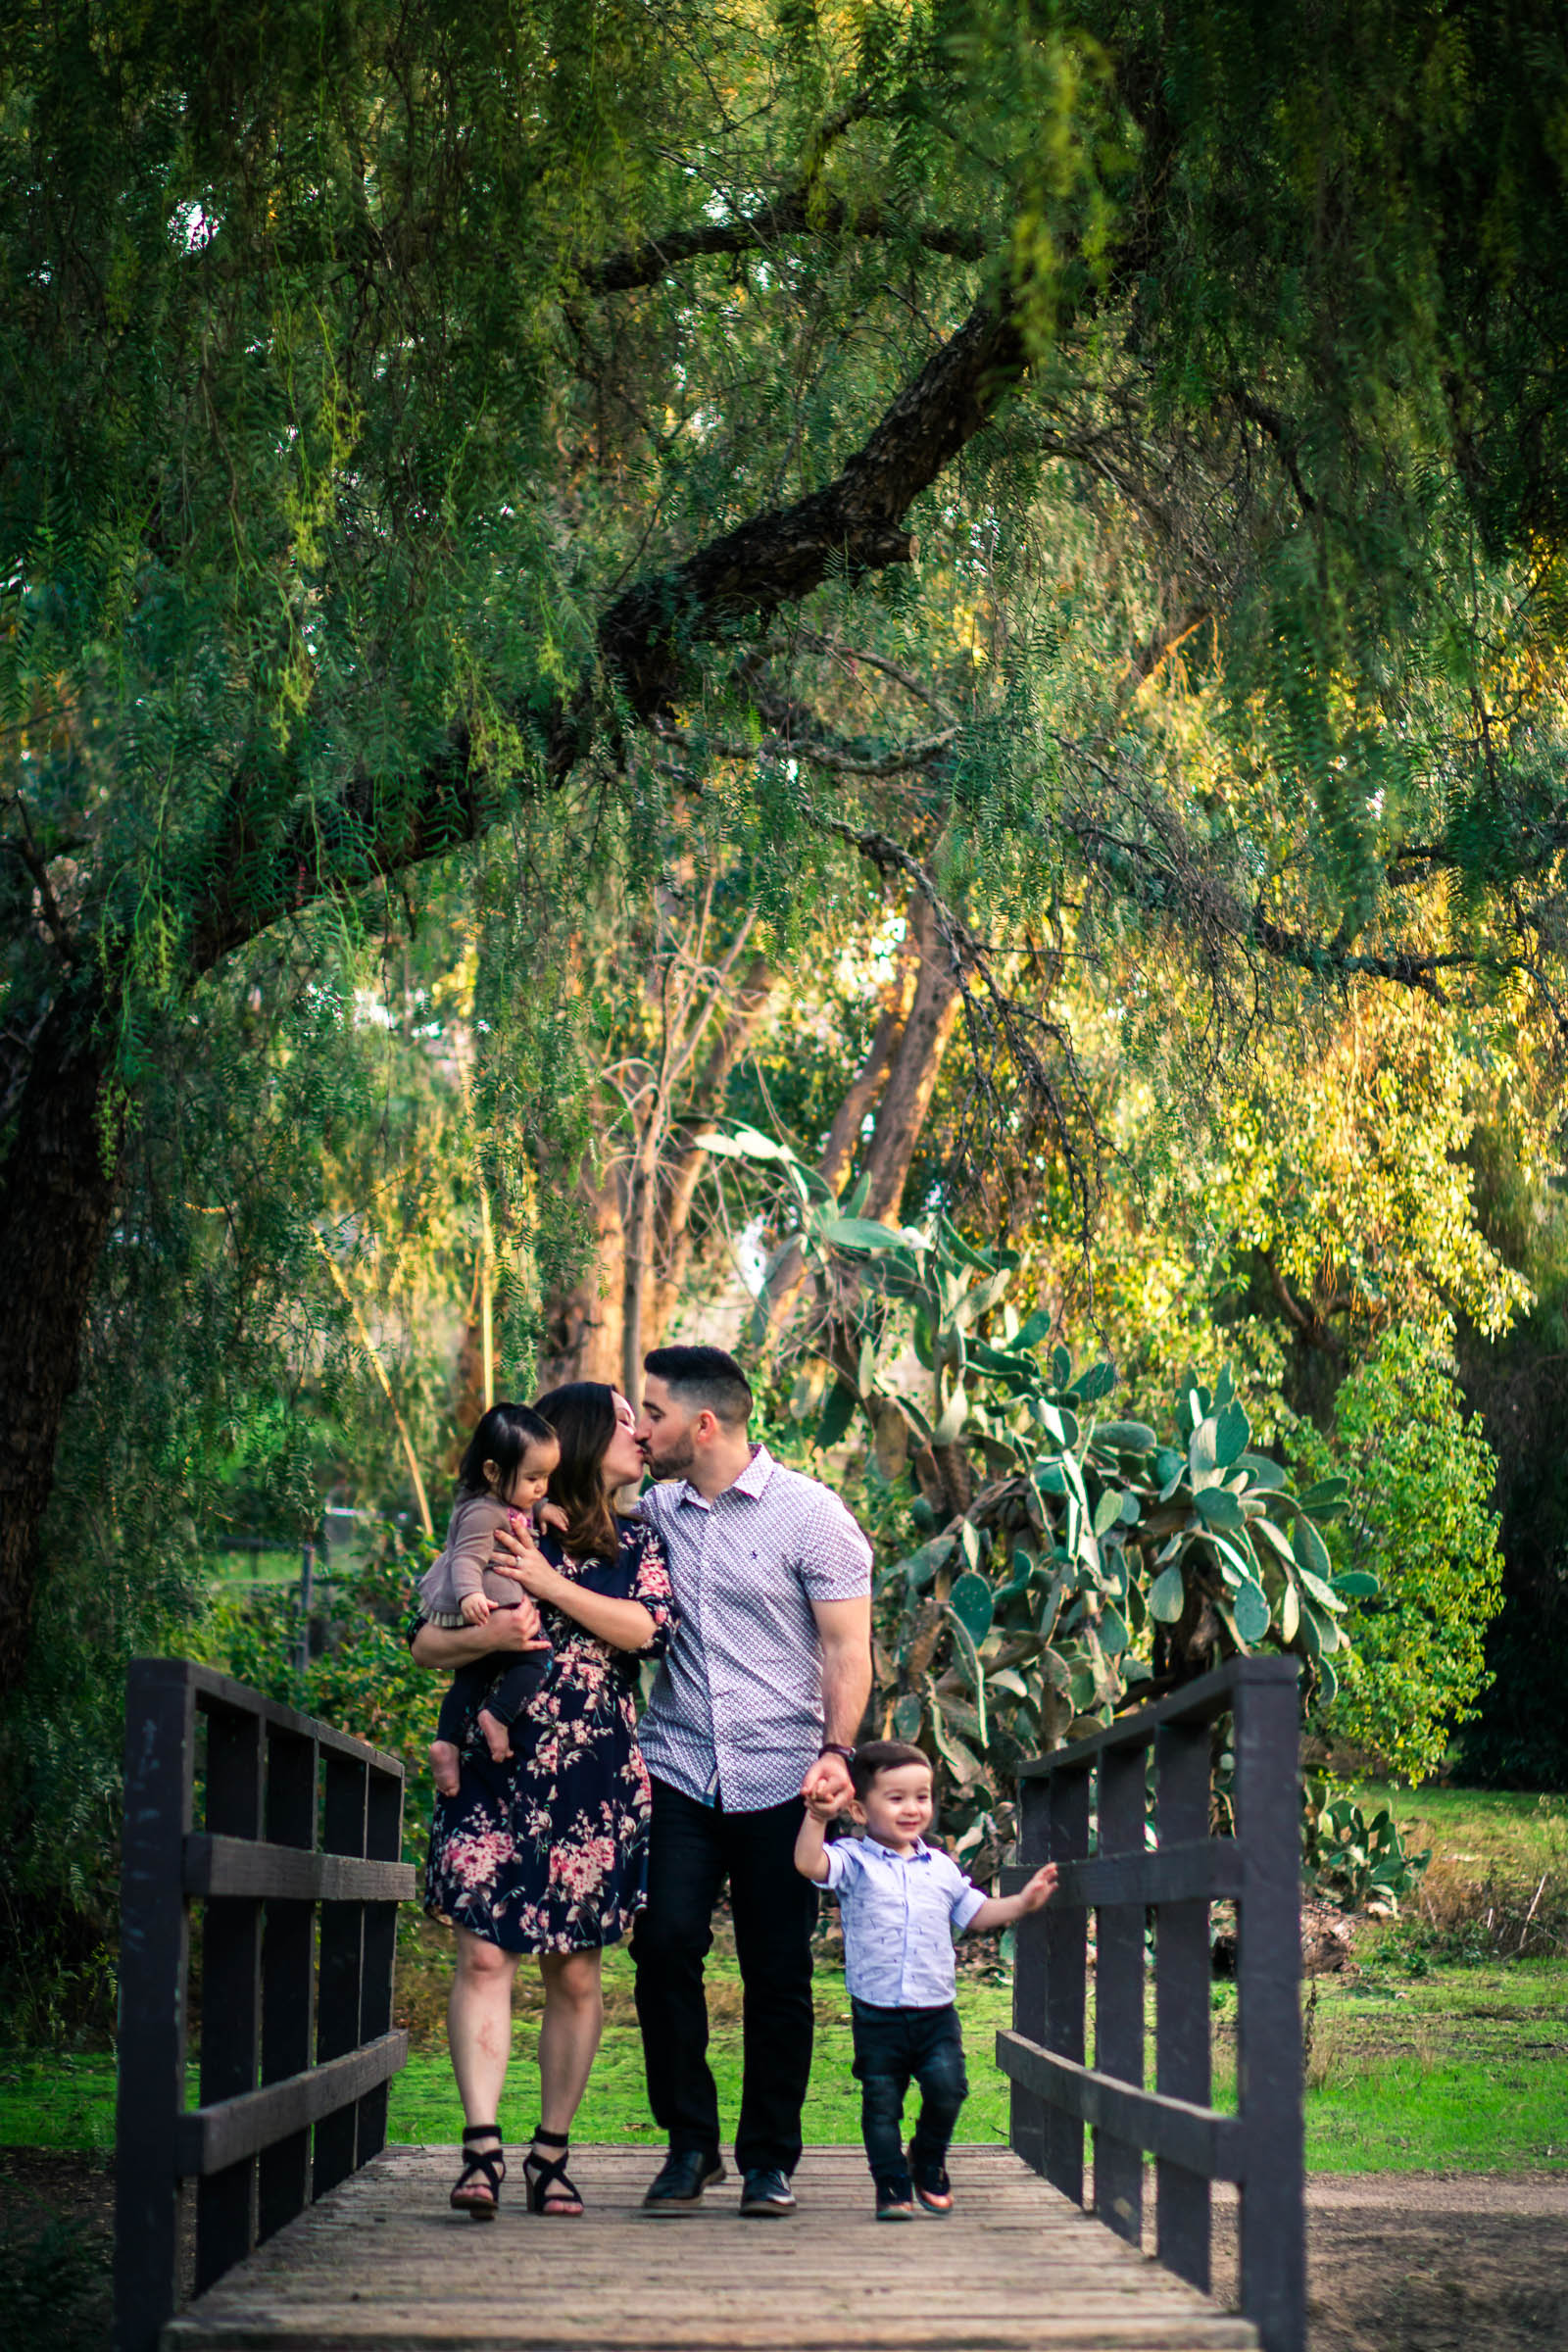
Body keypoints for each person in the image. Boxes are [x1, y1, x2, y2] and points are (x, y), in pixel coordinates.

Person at [413, 1383, 675, 2221]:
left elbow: (646, 1632)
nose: (641, 1434)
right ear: (588, 1436)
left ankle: (551, 2154)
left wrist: (548, 1588)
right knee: (485, 1955)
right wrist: (488, 1633)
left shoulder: (639, 1538)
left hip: (592, 1771)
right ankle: (482, 2148)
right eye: (627, 1421)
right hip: (496, 1766)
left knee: (576, 1967)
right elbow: (423, 1640)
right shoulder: (496, 1521)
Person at [629, 1343, 873, 2220]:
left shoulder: (814, 1517)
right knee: (662, 1948)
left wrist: (837, 1755)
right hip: (680, 1768)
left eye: (650, 1412)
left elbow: (848, 1648)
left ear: (703, 1423)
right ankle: (690, 2145)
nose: (640, 1426)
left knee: (777, 1974)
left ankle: (769, 2158)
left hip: (784, 1778)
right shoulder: (653, 1510)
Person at [795, 1738, 1059, 2220]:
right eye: (896, 1798)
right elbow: (810, 1864)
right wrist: (815, 1818)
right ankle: (892, 2185)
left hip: (936, 2011)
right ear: (858, 1807)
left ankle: (928, 2157)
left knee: (948, 2087)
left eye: (922, 1796)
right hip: (876, 2013)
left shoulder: (941, 1867)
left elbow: (976, 1911)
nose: (913, 1808)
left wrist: (1022, 1904)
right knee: (881, 2104)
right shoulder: (854, 1861)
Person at [416, 1400, 564, 1795]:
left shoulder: (506, 1499)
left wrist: (543, 1508)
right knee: (537, 1658)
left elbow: (530, 1503)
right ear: (492, 1471)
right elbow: (464, 1557)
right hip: (487, 1605)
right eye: (534, 1478)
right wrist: (469, 1596)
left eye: (547, 1477)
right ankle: (497, 1715)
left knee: (470, 1678)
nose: (541, 1487)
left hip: (488, 1608)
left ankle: (445, 1743)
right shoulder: (483, 1513)